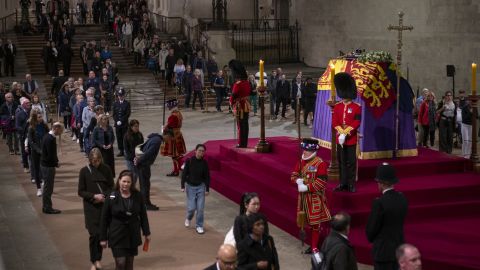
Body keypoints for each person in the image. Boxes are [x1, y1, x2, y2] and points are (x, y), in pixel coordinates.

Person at [100, 170, 151, 270]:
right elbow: (104, 218)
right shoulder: (111, 196)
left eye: (128, 182)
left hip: (132, 234)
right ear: (119, 181)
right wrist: (103, 238)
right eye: (124, 181)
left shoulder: (138, 196)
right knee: (120, 263)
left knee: (129, 264)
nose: (125, 184)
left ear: (132, 183)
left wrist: (147, 233)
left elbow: (143, 215)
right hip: (117, 234)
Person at [290, 138, 331, 254]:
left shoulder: (320, 163)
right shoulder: (300, 161)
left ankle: (314, 247)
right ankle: (310, 243)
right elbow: (293, 175)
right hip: (302, 199)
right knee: (304, 222)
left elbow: (322, 182)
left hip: (314, 198)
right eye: (304, 149)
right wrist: (297, 180)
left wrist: (307, 187)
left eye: (307, 150)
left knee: (315, 224)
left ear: (313, 151)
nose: (304, 152)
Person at [366, 163, 408, 270]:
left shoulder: (379, 203)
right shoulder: (402, 198)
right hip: (399, 249)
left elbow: (371, 230)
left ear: (382, 183)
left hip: (383, 253)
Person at [78, 148, 114, 270]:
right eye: (93, 161)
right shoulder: (84, 171)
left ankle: (97, 259)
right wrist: (94, 196)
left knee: (101, 234)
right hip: (91, 208)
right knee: (94, 234)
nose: (96, 163)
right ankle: (94, 261)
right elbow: (81, 191)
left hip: (104, 206)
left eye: (98, 160)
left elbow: (111, 187)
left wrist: (105, 196)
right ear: (90, 160)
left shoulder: (107, 169)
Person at [332, 72, 361, 193]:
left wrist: (346, 132)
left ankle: (351, 184)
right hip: (340, 139)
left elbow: (357, 122)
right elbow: (335, 122)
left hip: (351, 139)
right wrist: (340, 132)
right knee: (342, 162)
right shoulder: (338, 106)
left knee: (351, 162)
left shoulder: (357, 107)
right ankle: (342, 183)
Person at [181, 144, 210, 234]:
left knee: (200, 208)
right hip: (190, 187)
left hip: (201, 187)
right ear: (195, 151)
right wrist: (182, 186)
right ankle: (189, 218)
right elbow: (184, 174)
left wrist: (207, 189)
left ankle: (199, 226)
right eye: (199, 150)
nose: (201, 152)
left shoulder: (204, 163)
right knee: (192, 208)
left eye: (202, 151)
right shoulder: (189, 161)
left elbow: (207, 177)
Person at [135, 133, 163, 210]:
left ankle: (146, 202)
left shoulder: (154, 138)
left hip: (143, 164)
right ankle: (145, 204)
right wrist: (139, 160)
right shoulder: (157, 141)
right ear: (168, 135)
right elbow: (149, 153)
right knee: (145, 185)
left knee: (144, 184)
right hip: (144, 164)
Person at [41, 122, 64, 214]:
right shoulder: (50, 139)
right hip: (48, 166)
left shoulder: (47, 136)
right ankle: (47, 207)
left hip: (46, 165)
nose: (61, 133)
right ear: (56, 128)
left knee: (47, 187)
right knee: (48, 188)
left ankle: (46, 206)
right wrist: (56, 163)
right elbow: (51, 155)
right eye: (61, 130)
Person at [161, 98, 187, 176]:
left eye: (168, 106)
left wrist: (163, 128)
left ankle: (179, 169)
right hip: (178, 134)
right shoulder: (178, 113)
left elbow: (168, 127)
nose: (168, 107)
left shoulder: (172, 116)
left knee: (174, 155)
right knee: (176, 154)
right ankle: (177, 169)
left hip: (172, 137)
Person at [229, 60, 251, 148]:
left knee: (240, 125)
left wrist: (231, 102)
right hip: (246, 105)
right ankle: (244, 143)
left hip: (240, 106)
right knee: (245, 124)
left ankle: (241, 143)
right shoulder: (247, 83)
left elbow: (233, 97)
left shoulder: (237, 84)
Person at [27, 110, 49, 197]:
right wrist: (38, 150)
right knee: (36, 169)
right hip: (36, 152)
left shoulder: (44, 125)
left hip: (45, 151)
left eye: (41, 116)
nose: (41, 118)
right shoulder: (31, 128)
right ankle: (38, 188)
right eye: (39, 117)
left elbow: (48, 135)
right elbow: (31, 142)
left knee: (45, 169)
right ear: (35, 118)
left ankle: (45, 183)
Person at [124, 119, 144, 184]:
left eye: (138, 126)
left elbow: (142, 146)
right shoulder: (127, 136)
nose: (137, 128)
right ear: (131, 127)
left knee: (136, 174)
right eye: (135, 126)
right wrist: (132, 157)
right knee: (133, 174)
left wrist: (139, 156)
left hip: (138, 157)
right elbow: (126, 149)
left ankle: (132, 187)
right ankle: (131, 188)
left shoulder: (140, 135)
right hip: (130, 158)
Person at [113, 87, 131, 157]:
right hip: (117, 124)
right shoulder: (115, 103)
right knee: (119, 137)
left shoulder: (127, 103)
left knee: (125, 137)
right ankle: (121, 150)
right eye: (119, 95)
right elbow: (114, 114)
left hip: (124, 124)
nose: (120, 97)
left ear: (124, 95)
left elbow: (128, 113)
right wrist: (117, 121)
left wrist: (121, 120)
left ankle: (126, 150)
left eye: (122, 95)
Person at [15, 97, 31, 172]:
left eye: (29, 103)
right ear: (23, 105)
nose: (29, 104)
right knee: (24, 152)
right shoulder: (19, 114)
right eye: (27, 103)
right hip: (23, 135)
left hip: (32, 134)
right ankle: (26, 166)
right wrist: (25, 128)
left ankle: (33, 165)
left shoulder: (32, 112)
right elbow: (17, 126)